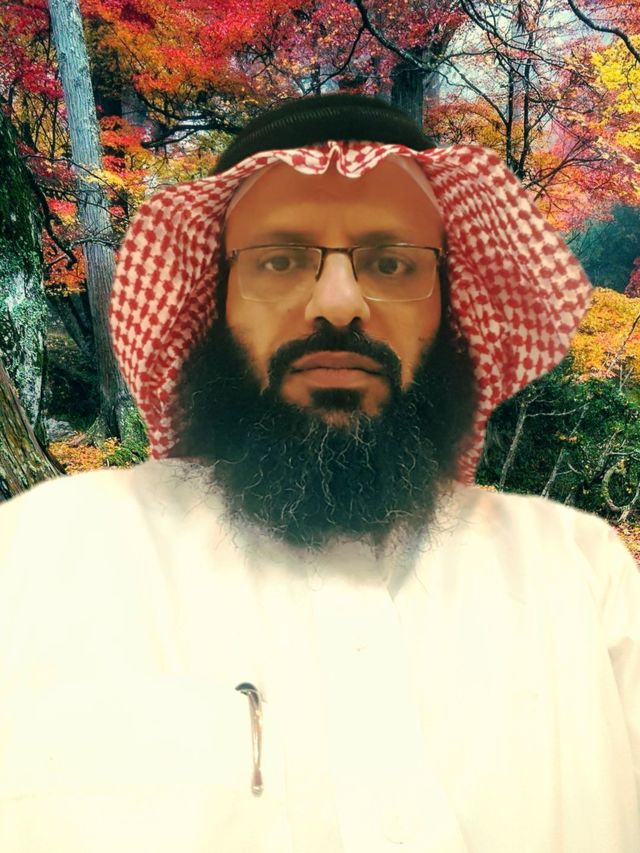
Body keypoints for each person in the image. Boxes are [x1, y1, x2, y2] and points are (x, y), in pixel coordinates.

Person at [0, 93, 638, 852]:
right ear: (214, 303)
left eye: (392, 264)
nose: (338, 304)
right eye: (278, 261)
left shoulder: (582, 574)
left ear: (451, 309)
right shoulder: (43, 553)